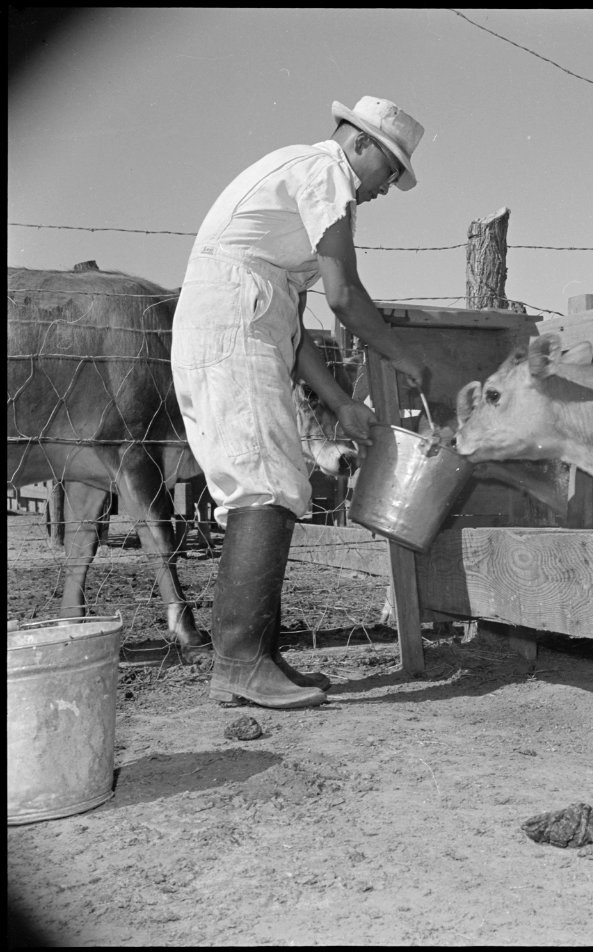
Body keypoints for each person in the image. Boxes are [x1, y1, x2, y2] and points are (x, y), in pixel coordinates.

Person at [171, 96, 428, 710]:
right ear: (363, 145)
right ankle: (241, 662)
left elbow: (290, 322)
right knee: (264, 481)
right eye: (390, 174)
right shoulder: (326, 173)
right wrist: (402, 356)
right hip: (236, 321)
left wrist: (340, 403)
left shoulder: (302, 189)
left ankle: (254, 656)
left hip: (243, 318)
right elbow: (343, 296)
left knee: (270, 477)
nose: (385, 190)